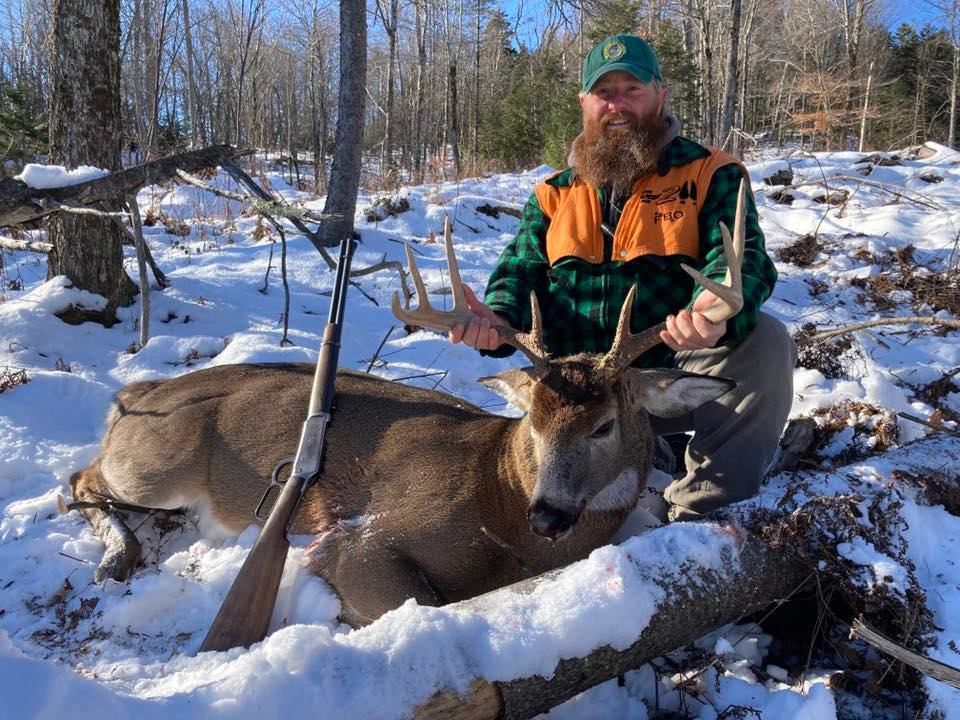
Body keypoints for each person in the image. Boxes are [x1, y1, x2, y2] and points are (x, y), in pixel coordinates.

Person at [449, 33, 796, 521]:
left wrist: (710, 312)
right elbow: (519, 270)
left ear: (661, 95)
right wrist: (495, 317)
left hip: (657, 379)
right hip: (569, 390)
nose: (618, 105)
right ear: (584, 103)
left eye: (632, 89)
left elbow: (743, 261)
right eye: (604, 92)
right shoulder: (553, 192)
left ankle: (704, 515)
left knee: (764, 340)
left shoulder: (710, 173)